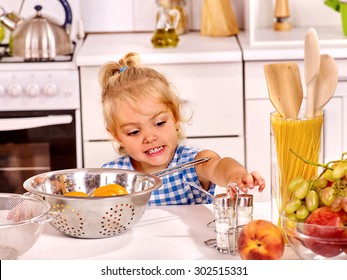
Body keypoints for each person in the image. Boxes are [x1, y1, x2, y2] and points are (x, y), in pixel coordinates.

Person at [100, 52, 265, 205]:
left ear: (175, 116)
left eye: (159, 123)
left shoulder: (193, 163)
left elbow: (219, 166)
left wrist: (235, 175)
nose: (150, 137)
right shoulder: (112, 176)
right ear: (116, 136)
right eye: (134, 132)